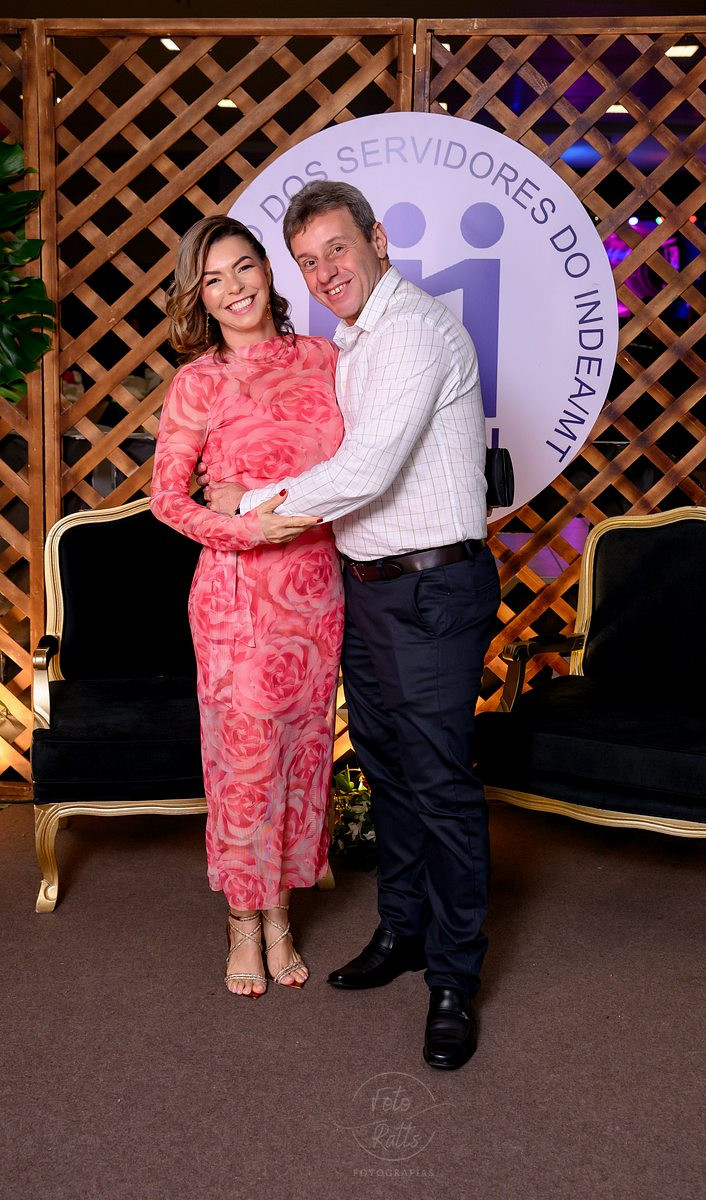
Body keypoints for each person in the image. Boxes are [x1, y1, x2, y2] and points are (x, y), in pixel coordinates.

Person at [204, 181, 500, 1068]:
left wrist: (247, 501)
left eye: (337, 248)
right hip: (368, 589)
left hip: (431, 589)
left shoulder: (410, 331)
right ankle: (403, 931)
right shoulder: (353, 340)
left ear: (377, 240)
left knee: (439, 785)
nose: (325, 270)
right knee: (390, 774)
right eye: (308, 260)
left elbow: (365, 470)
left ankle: (454, 977)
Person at [150, 215, 344, 998]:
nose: (233, 288)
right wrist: (244, 525)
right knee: (244, 763)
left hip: (317, 590)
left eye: (242, 268)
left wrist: (260, 494)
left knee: (302, 755)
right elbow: (167, 499)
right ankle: (241, 919)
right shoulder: (199, 381)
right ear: (199, 297)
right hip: (236, 595)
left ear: (267, 268)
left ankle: (281, 915)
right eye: (213, 279)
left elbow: (363, 464)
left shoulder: (327, 360)